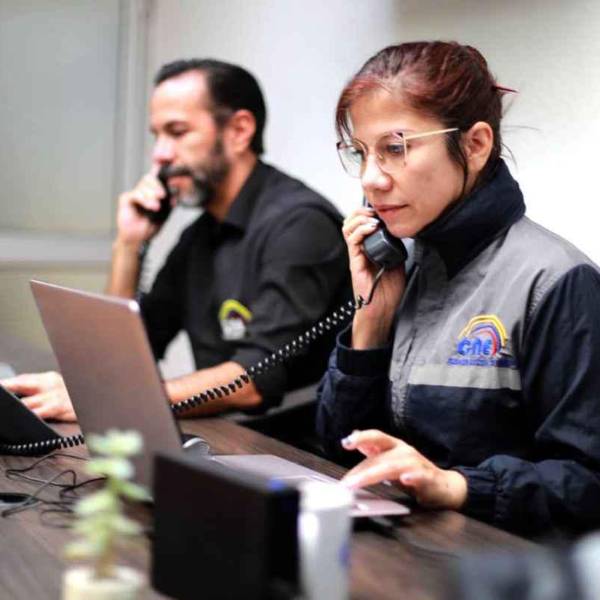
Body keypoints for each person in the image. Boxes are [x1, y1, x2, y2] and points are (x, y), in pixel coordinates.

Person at [317, 41, 600, 536]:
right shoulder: (400, 264)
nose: (371, 179)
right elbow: (338, 450)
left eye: (395, 148)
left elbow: (587, 484)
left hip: (504, 564)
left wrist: (456, 486)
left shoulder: (557, 281)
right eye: (360, 153)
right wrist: (370, 324)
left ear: (475, 144)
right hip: (398, 550)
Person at [3, 59, 350, 421]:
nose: (161, 154)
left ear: (239, 131)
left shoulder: (301, 225)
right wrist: (128, 245)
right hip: (225, 432)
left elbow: (252, 381)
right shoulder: (200, 235)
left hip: (287, 442)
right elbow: (117, 360)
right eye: (158, 135)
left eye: (177, 132)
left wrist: (111, 399)